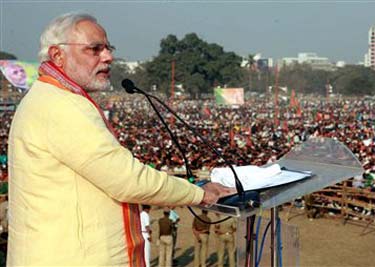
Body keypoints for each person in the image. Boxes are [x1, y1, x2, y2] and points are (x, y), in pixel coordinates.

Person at [7, 13, 235, 266]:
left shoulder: (52, 97)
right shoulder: (61, 105)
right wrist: (198, 193)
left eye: (107, 48)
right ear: (58, 56)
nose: (108, 57)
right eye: (94, 49)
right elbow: (127, 180)